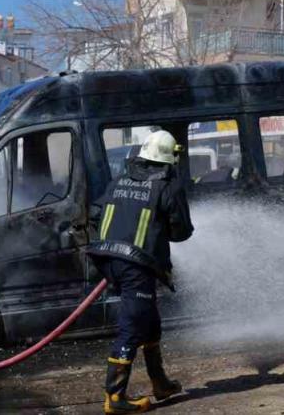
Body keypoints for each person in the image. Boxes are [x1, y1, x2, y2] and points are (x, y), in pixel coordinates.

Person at [88, 130, 194, 414]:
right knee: (133, 324)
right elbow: (182, 232)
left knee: (148, 320)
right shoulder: (167, 185)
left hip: (107, 257)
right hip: (136, 263)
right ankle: (114, 398)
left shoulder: (119, 179)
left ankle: (160, 384)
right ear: (170, 158)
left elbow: (96, 213)